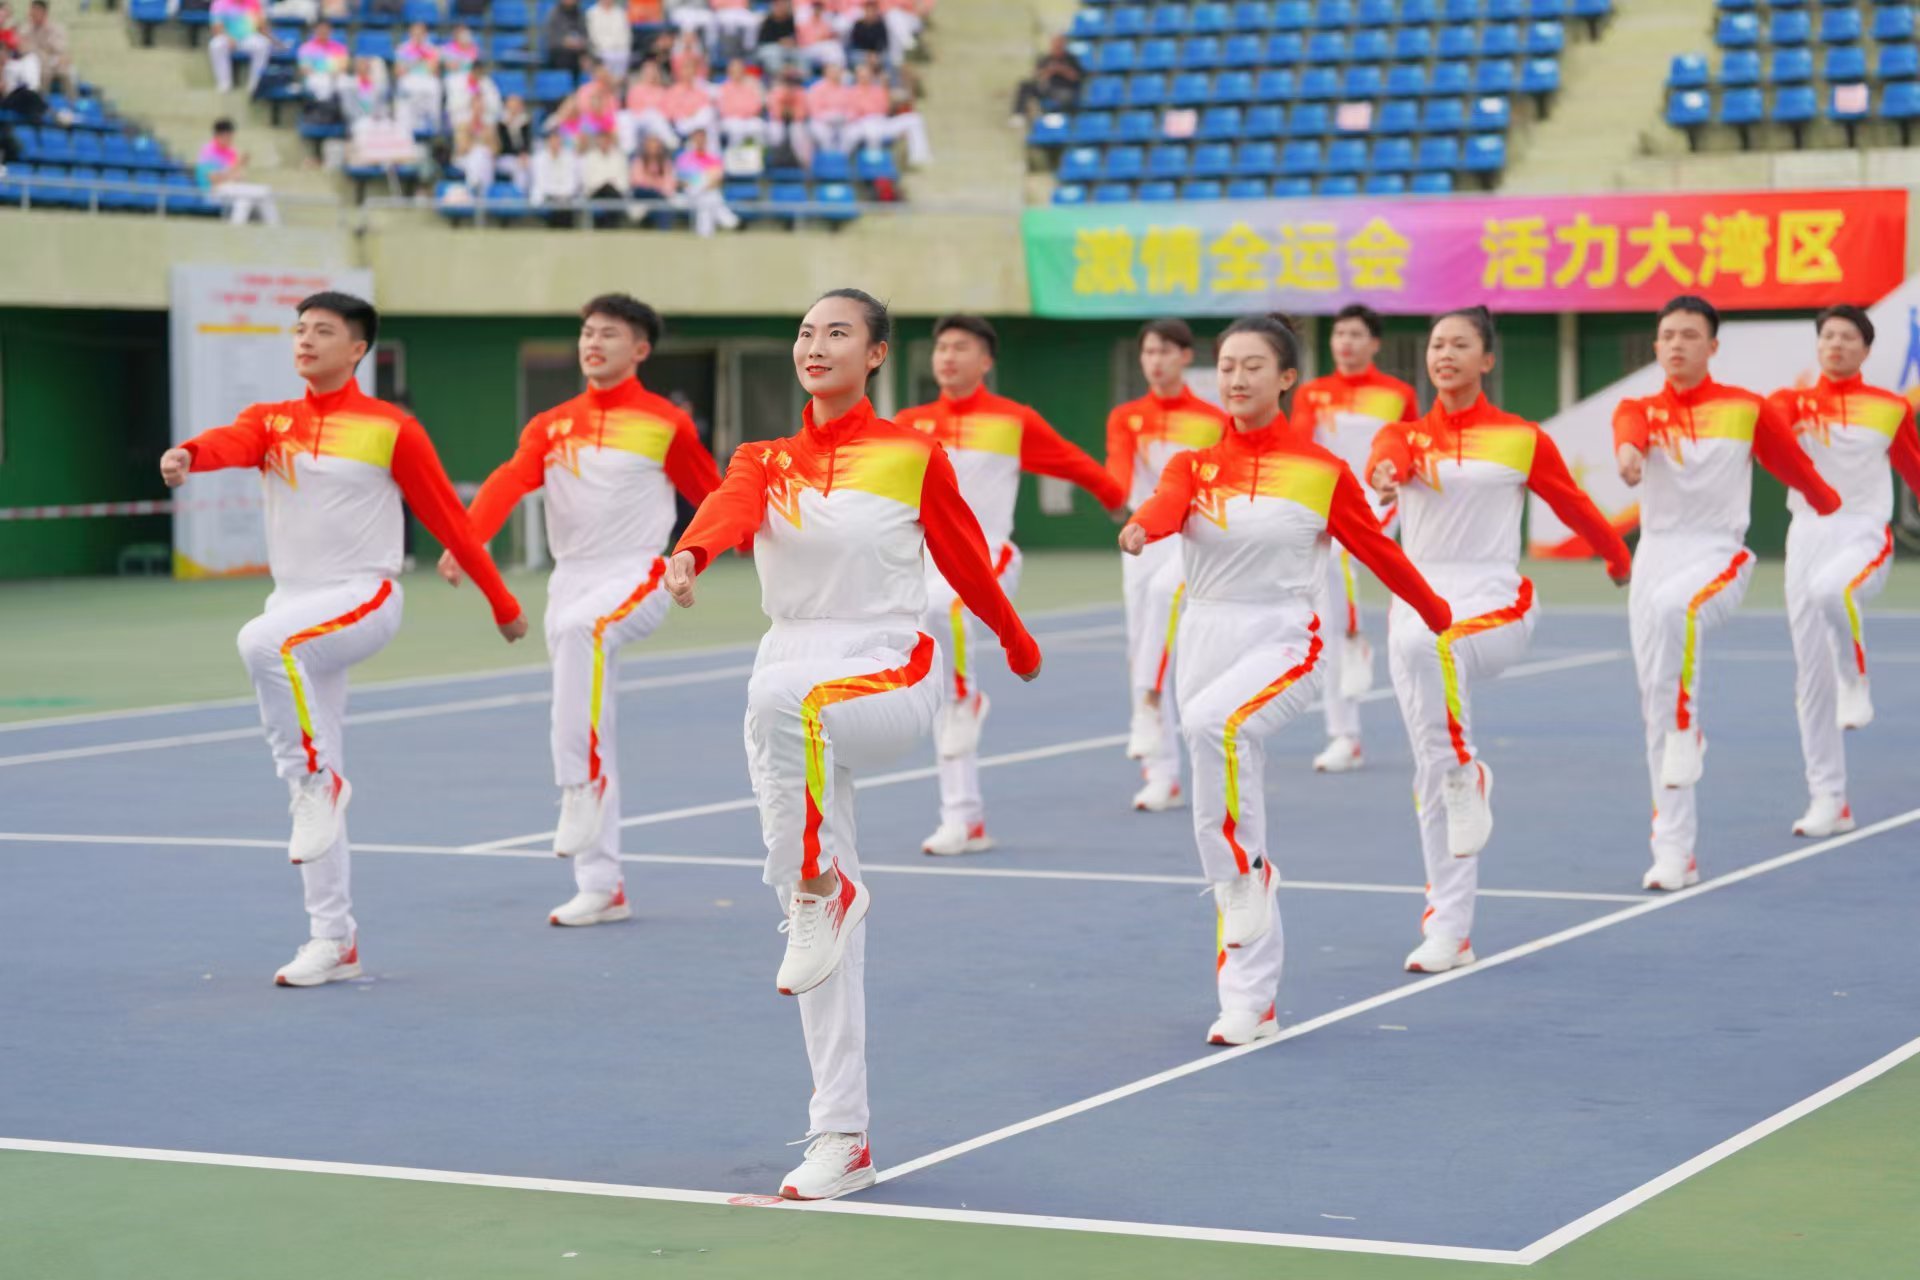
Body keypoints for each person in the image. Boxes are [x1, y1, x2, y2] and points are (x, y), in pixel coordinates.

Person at [663, 288, 1039, 1201]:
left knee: (782, 718)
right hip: (788, 670)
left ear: (874, 355)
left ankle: (821, 886)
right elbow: (730, 507)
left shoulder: (912, 455)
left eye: (837, 332)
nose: (816, 345)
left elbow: (963, 557)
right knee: (814, 930)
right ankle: (843, 1134)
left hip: (886, 662)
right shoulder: (764, 458)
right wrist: (690, 554)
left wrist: (1014, 640)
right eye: (805, 332)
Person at [158, 293, 527, 987]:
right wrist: (189, 455)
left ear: (357, 349)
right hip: (295, 606)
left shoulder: (391, 428)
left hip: (364, 596)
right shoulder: (271, 420)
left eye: (323, 331)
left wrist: (502, 603)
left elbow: (448, 519)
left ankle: (317, 784)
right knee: (308, 765)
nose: (305, 339)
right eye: (299, 329)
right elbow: (232, 442)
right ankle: (334, 939)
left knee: (264, 649)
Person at [1123, 314, 1452, 1046]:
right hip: (1205, 634)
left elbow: (1376, 551)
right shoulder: (1192, 465)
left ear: (1287, 378)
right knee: (1221, 800)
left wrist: (1434, 610)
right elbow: (1166, 506)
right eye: (1226, 366)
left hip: (1285, 637)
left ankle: (1246, 877)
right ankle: (1249, 998)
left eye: (1253, 366)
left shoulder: (1320, 472)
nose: (1237, 379)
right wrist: (1145, 525)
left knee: (1215, 726)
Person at [1370, 306, 1632, 972]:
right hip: (1416, 603)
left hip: (1491, 600)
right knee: (1431, 770)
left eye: (1460, 344)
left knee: (1438, 679)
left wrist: (1615, 554)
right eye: (1436, 344)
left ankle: (1469, 771)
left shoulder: (1521, 438)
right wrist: (1385, 473)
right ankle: (1450, 930)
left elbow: (1571, 502)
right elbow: (1386, 460)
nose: (1444, 354)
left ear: (1486, 360)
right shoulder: (1404, 436)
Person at [446, 297, 719, 924]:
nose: (592, 342)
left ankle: (576, 787)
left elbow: (712, 495)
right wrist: (469, 540)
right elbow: (509, 481)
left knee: (582, 631)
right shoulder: (551, 425)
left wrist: (702, 558)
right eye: (586, 332)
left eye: (609, 334)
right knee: (587, 711)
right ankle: (602, 885)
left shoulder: (666, 423)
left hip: (637, 571)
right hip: (569, 578)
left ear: (640, 349)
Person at [1614, 296, 1842, 890]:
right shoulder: (1638, 409)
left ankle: (1687, 728)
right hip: (1655, 556)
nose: (1676, 344)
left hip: (1718, 553)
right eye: (1667, 335)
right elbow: (1629, 437)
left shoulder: (1745, 409)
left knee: (1677, 611)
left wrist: (1831, 508)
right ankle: (1674, 852)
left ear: (1713, 346)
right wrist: (1629, 456)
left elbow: (1794, 468)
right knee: (1653, 703)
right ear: (1656, 345)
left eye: (1689, 335)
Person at [895, 315, 1127, 855]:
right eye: (941, 347)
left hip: (989, 555)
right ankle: (963, 819)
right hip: (925, 564)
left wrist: (1118, 499)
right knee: (937, 668)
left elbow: (1071, 461)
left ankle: (966, 699)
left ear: (986, 361)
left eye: (961, 347)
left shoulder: (1011, 420)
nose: (947, 356)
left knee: (947, 615)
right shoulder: (909, 424)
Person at [1769, 306, 1920, 837]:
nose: (1836, 343)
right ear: (1818, 345)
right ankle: (1829, 799)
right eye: (1828, 335)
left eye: (1848, 336)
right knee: (1811, 677)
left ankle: (1855, 678)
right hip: (1807, 533)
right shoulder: (1791, 403)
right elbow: (1770, 432)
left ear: (1866, 349)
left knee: (1833, 591)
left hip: (1862, 532)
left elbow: (1915, 469)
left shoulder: (1889, 408)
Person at [1288, 303, 1420, 774]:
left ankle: (1354, 637)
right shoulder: (1312, 393)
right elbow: (1300, 447)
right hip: (1332, 501)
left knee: (1342, 556)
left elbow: (1408, 445)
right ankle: (1345, 734)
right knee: (1324, 610)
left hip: (1381, 501)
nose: (1345, 342)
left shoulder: (1397, 394)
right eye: (1339, 333)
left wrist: (1393, 481)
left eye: (1356, 334)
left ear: (1374, 343)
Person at [1104, 317, 1228, 812]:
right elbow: (1118, 470)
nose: (1155, 361)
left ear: (1185, 356)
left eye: (1164, 351)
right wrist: (1111, 493)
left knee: (1170, 611)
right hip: (1141, 539)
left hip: (1192, 538)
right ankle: (1162, 774)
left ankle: (1153, 709)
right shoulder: (1126, 417)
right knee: (1143, 645)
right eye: (1148, 352)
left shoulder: (1212, 418)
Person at [195, 117, 278, 224]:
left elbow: (239, 177)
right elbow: (214, 180)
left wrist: (235, 171)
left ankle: (274, 227)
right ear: (218, 136)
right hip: (212, 192)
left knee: (265, 192)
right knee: (244, 198)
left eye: (231, 137)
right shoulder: (207, 151)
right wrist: (236, 166)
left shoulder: (231, 151)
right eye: (228, 137)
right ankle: (235, 230)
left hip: (231, 188)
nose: (230, 140)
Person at [1010, 34, 1083, 128]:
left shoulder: (1071, 59)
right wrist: (1047, 72)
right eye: (1055, 45)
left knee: (1065, 97)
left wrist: (1062, 70)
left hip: (1065, 90)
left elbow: (1077, 77)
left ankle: (1060, 119)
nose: (1057, 47)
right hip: (1048, 89)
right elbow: (1036, 75)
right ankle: (1019, 114)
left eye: (1059, 45)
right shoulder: (1046, 59)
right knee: (1026, 85)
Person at [208, 0, 274, 96]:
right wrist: (228, 37)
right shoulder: (220, 3)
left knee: (263, 44)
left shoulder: (254, 2)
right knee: (215, 45)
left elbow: (261, 26)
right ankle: (224, 84)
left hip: (248, 37)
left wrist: (264, 27)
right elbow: (216, 27)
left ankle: (255, 84)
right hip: (226, 36)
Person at [716, 57, 767, 148]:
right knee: (736, 128)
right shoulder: (724, 87)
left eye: (739, 70)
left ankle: (757, 154)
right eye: (734, 71)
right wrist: (740, 113)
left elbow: (756, 105)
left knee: (758, 126)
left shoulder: (751, 85)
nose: (737, 73)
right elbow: (724, 109)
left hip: (749, 118)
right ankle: (734, 154)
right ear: (729, 72)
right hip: (731, 119)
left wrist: (745, 113)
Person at [296, 21, 348, 102]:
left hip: (336, 76)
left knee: (347, 84)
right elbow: (305, 69)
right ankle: (323, 107)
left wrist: (331, 72)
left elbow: (343, 67)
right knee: (324, 84)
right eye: (320, 29)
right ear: (315, 30)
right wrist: (326, 70)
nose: (323, 32)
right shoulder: (306, 48)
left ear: (331, 31)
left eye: (326, 29)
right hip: (315, 77)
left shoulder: (339, 47)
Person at [588, 0, 633, 77]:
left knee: (623, 57)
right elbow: (593, 37)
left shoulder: (620, 13)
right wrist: (608, 46)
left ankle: (619, 81)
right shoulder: (592, 13)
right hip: (601, 50)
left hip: (620, 51)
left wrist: (619, 47)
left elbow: (626, 35)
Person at [545, 0, 592, 73]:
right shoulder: (554, 13)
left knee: (590, 59)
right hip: (559, 51)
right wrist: (565, 42)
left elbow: (585, 34)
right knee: (566, 59)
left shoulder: (580, 13)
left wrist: (581, 43)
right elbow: (551, 38)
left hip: (578, 50)